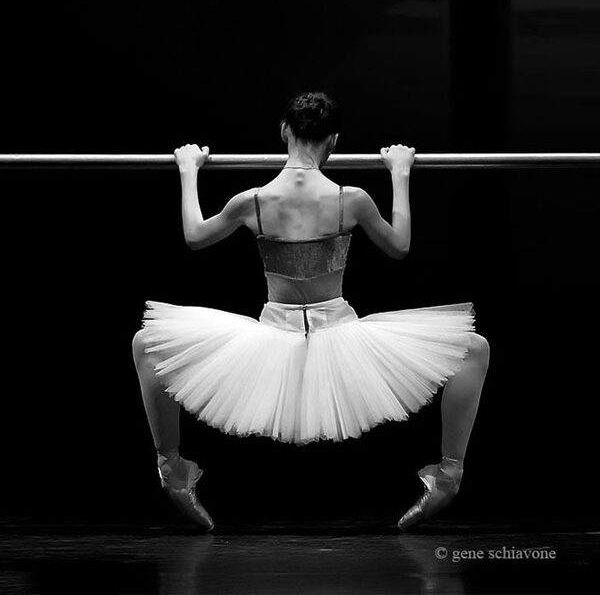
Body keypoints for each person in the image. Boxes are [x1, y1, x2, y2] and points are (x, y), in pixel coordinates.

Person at [132, 92, 490, 533]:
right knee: (473, 349)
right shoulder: (350, 199)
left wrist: (188, 171)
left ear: (284, 131)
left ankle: (170, 468)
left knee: (147, 344)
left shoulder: (253, 200)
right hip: (337, 335)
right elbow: (400, 245)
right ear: (334, 141)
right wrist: (400, 173)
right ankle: (450, 474)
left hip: (274, 338)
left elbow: (194, 235)